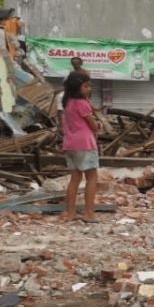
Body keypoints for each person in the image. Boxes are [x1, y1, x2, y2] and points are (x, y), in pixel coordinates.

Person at [61, 72, 101, 223]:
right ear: (77, 87)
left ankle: (70, 213)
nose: (89, 89)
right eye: (86, 86)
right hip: (85, 144)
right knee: (91, 178)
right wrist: (98, 125)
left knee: (75, 179)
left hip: (70, 143)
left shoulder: (68, 102)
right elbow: (92, 125)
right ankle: (89, 213)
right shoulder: (82, 103)